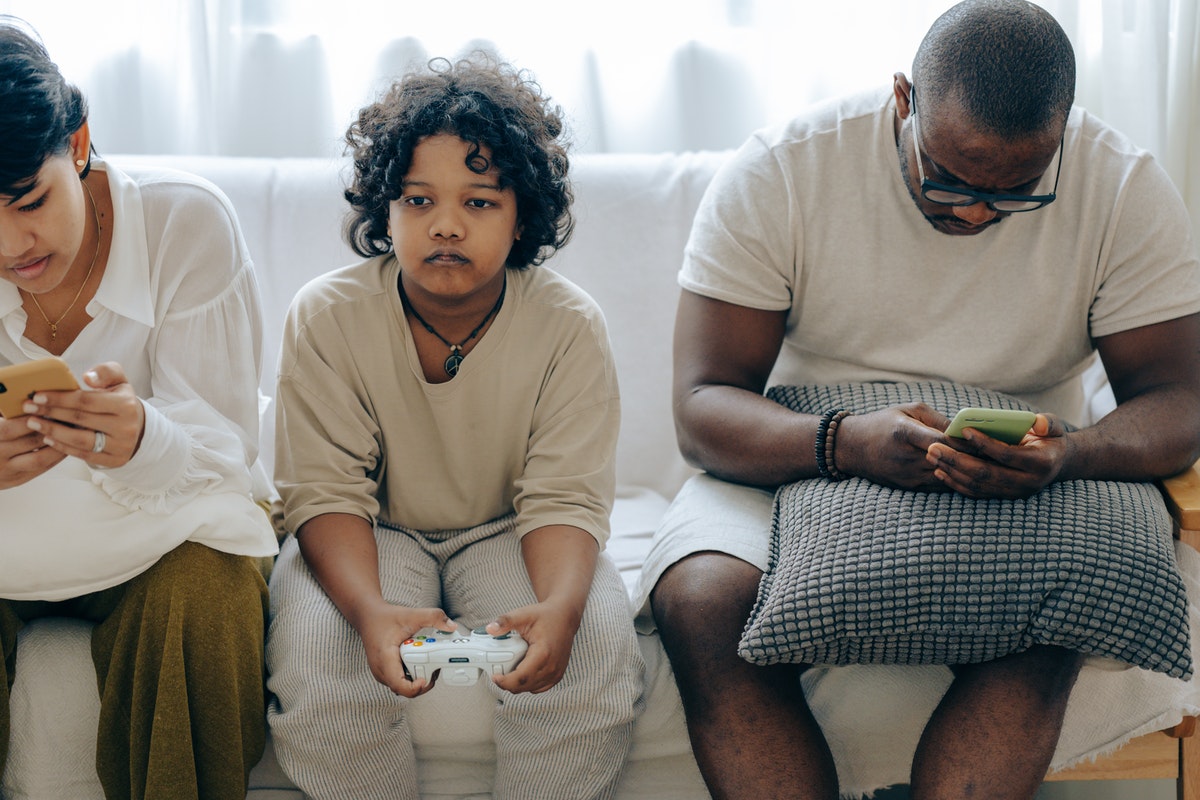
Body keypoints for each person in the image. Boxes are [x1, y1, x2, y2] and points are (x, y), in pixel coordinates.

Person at [636, 1, 1200, 798]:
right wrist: (845, 443)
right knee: (699, 600)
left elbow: (1178, 399)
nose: (973, 210)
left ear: (1063, 131)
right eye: (948, 178)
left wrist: (1071, 453)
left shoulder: (1125, 187)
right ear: (904, 99)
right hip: (805, 446)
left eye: (1014, 192)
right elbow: (703, 404)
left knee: (1056, 605)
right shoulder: (785, 168)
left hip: (1018, 470)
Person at [265, 56, 644, 800]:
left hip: (511, 528)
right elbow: (322, 491)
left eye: (479, 202)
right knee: (319, 658)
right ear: (386, 210)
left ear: (521, 217)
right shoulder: (327, 315)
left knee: (594, 651)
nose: (444, 225)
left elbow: (564, 498)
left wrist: (563, 608)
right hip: (371, 531)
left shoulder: (567, 326)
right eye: (417, 200)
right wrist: (371, 612)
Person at [0, 16, 279, 800]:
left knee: (203, 592)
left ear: (79, 141)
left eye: (29, 199)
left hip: (171, 531)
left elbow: (228, 443)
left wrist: (146, 439)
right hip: (16, 536)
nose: (11, 245)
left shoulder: (185, 223)